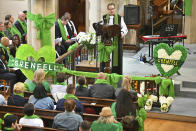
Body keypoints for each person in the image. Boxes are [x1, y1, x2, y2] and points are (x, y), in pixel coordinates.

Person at [100, 2, 128, 75]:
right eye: (110, 9)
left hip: (116, 41)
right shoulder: (104, 17)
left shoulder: (119, 18)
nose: (111, 10)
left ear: (115, 9)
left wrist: (122, 33)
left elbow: (125, 28)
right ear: (108, 10)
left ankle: (115, 73)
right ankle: (105, 72)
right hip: (106, 41)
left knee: (115, 58)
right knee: (106, 57)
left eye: (112, 9)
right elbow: (100, 27)